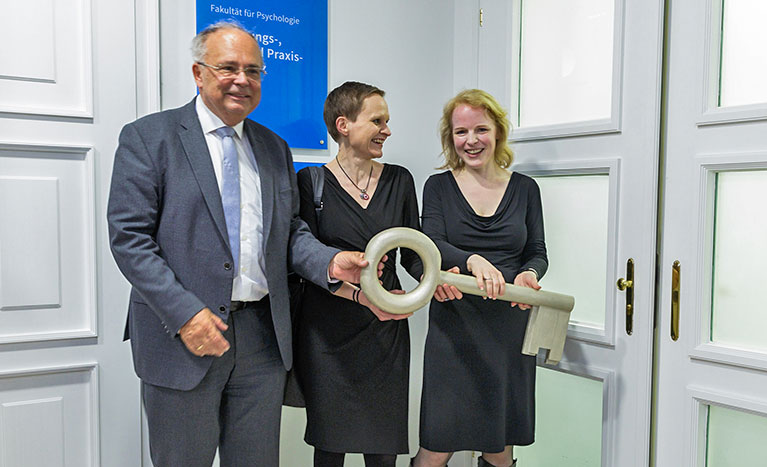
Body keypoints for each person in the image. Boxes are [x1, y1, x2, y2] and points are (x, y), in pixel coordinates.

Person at [107, 21, 371, 466]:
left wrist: (330, 263)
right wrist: (185, 313)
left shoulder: (274, 148)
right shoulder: (150, 138)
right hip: (182, 336)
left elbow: (289, 233)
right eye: (228, 67)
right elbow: (129, 239)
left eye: (253, 70)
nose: (242, 80)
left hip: (262, 341)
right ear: (198, 73)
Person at [413, 89, 548, 467]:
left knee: (499, 446)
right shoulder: (438, 186)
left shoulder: (525, 188)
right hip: (454, 325)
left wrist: (528, 275)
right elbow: (432, 244)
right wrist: (473, 260)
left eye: (480, 130)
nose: (471, 141)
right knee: (437, 446)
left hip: (508, 327)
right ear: (450, 138)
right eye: (460, 132)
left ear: (498, 133)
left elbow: (537, 251)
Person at [295, 81, 424, 467]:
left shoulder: (400, 180)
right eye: (377, 120)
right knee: (330, 449)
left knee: (384, 451)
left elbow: (413, 256)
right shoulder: (311, 183)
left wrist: (441, 278)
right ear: (344, 125)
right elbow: (304, 260)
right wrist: (355, 293)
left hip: (385, 332)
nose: (387, 129)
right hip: (327, 334)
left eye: (387, 121)